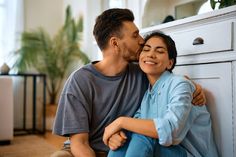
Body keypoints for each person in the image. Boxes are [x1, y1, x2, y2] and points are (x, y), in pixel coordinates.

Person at [51, 8, 206, 157]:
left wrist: (193, 87)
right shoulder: (80, 81)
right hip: (88, 150)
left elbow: (168, 81)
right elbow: (80, 144)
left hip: (131, 145)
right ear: (115, 43)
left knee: (140, 141)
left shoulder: (142, 72)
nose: (142, 41)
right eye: (135, 35)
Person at [103, 31, 218, 157]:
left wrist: (120, 122)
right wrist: (118, 135)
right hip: (163, 151)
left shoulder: (180, 85)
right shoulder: (147, 95)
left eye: (159, 51)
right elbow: (137, 123)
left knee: (143, 136)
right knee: (125, 139)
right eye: (146, 50)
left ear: (170, 63)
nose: (151, 54)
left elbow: (171, 131)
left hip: (190, 154)